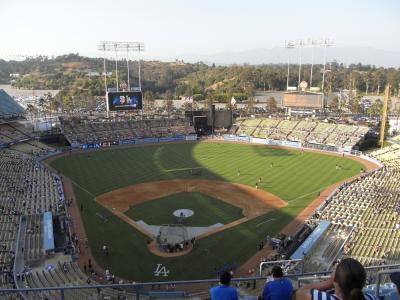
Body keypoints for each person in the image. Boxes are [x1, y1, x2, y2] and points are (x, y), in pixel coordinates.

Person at [296, 258, 379, 300]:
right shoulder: (373, 298)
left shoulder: (323, 298)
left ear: (335, 278)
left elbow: (300, 293)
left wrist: (329, 282)